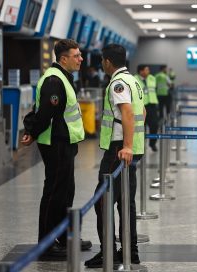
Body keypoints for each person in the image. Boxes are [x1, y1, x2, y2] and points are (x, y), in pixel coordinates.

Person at [21, 39, 92, 257]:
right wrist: (32, 133)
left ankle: (65, 236)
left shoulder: (64, 77)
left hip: (66, 141)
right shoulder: (54, 80)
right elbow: (45, 113)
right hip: (56, 142)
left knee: (66, 191)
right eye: (76, 55)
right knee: (54, 192)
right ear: (63, 58)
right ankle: (46, 244)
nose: (81, 59)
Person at [84, 44, 145, 268]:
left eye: (102, 60)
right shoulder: (134, 80)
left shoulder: (117, 83)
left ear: (108, 61)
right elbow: (142, 112)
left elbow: (128, 113)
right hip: (132, 148)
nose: (101, 64)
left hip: (119, 149)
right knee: (125, 202)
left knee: (104, 201)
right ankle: (131, 250)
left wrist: (126, 145)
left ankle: (108, 252)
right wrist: (133, 145)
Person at [135, 64, 159, 151]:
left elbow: (154, 90)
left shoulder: (152, 78)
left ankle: (152, 143)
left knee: (155, 125)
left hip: (152, 105)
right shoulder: (134, 79)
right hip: (140, 106)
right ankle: (140, 145)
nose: (148, 71)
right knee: (140, 127)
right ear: (141, 71)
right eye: (146, 70)